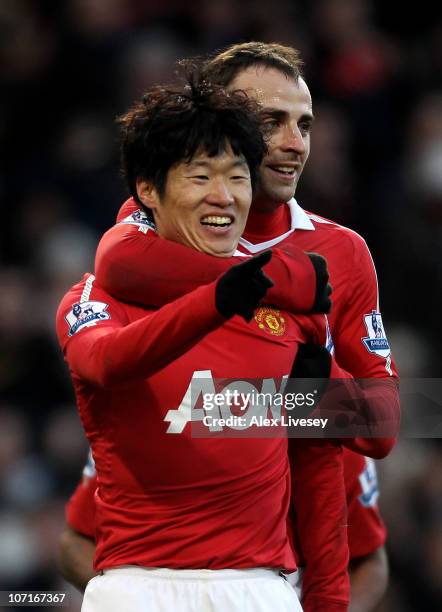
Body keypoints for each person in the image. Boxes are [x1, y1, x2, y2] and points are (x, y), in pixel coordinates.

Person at [56, 72, 348, 612]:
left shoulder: (288, 313)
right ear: (147, 188)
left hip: (260, 589)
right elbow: (104, 361)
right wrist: (215, 300)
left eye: (237, 177)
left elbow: (327, 467)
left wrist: (331, 397)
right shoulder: (96, 298)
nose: (223, 197)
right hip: (138, 587)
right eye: (199, 176)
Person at [94, 42, 400, 460]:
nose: (296, 144)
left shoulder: (343, 250)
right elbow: (116, 260)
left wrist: (297, 390)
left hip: (305, 512)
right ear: (223, 125)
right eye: (272, 121)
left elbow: (382, 424)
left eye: (304, 125)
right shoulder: (167, 222)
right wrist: (279, 282)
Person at [59, 448, 388, 612]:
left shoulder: (337, 442)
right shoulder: (145, 415)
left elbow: (370, 561)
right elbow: (74, 540)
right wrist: (135, 592)